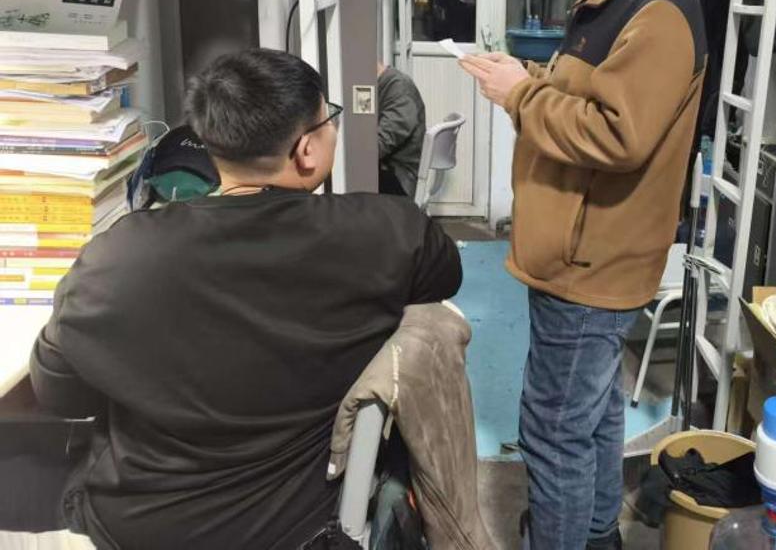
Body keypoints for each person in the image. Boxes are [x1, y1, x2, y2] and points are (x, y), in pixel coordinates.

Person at [30, 48, 462, 550]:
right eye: (329, 120)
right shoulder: (388, 233)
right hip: (300, 527)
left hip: (141, 526)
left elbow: (61, 394)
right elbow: (445, 276)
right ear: (307, 150)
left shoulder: (115, 257)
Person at [460, 0, 708, 550]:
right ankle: (598, 532)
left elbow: (618, 136)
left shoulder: (655, 9)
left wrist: (522, 95)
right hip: (580, 253)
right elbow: (588, 99)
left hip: (590, 264)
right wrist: (527, 78)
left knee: (554, 430)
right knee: (591, 413)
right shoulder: (610, 1)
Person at [377, 61, 426, 198]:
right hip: (390, 170)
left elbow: (381, 143)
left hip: (400, 178)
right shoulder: (388, 84)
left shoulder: (399, 88)